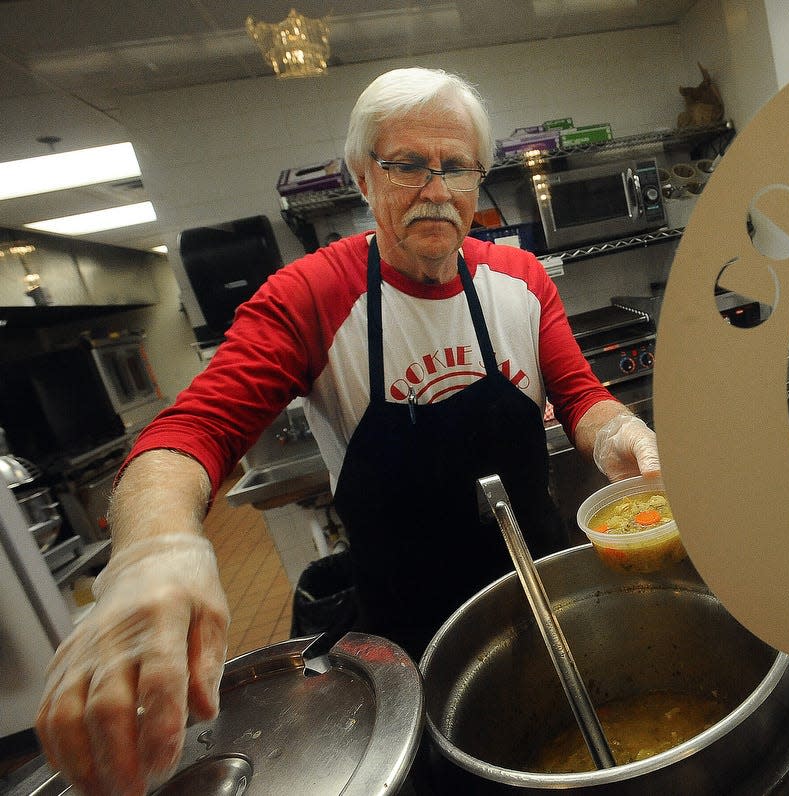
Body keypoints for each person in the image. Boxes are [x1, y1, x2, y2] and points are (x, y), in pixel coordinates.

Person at [35, 67, 660, 796]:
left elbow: (582, 396)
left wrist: (621, 433)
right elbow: (188, 435)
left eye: (456, 167)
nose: (436, 189)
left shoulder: (519, 280)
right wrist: (154, 549)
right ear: (364, 177)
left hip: (550, 588)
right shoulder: (310, 296)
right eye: (406, 165)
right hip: (409, 634)